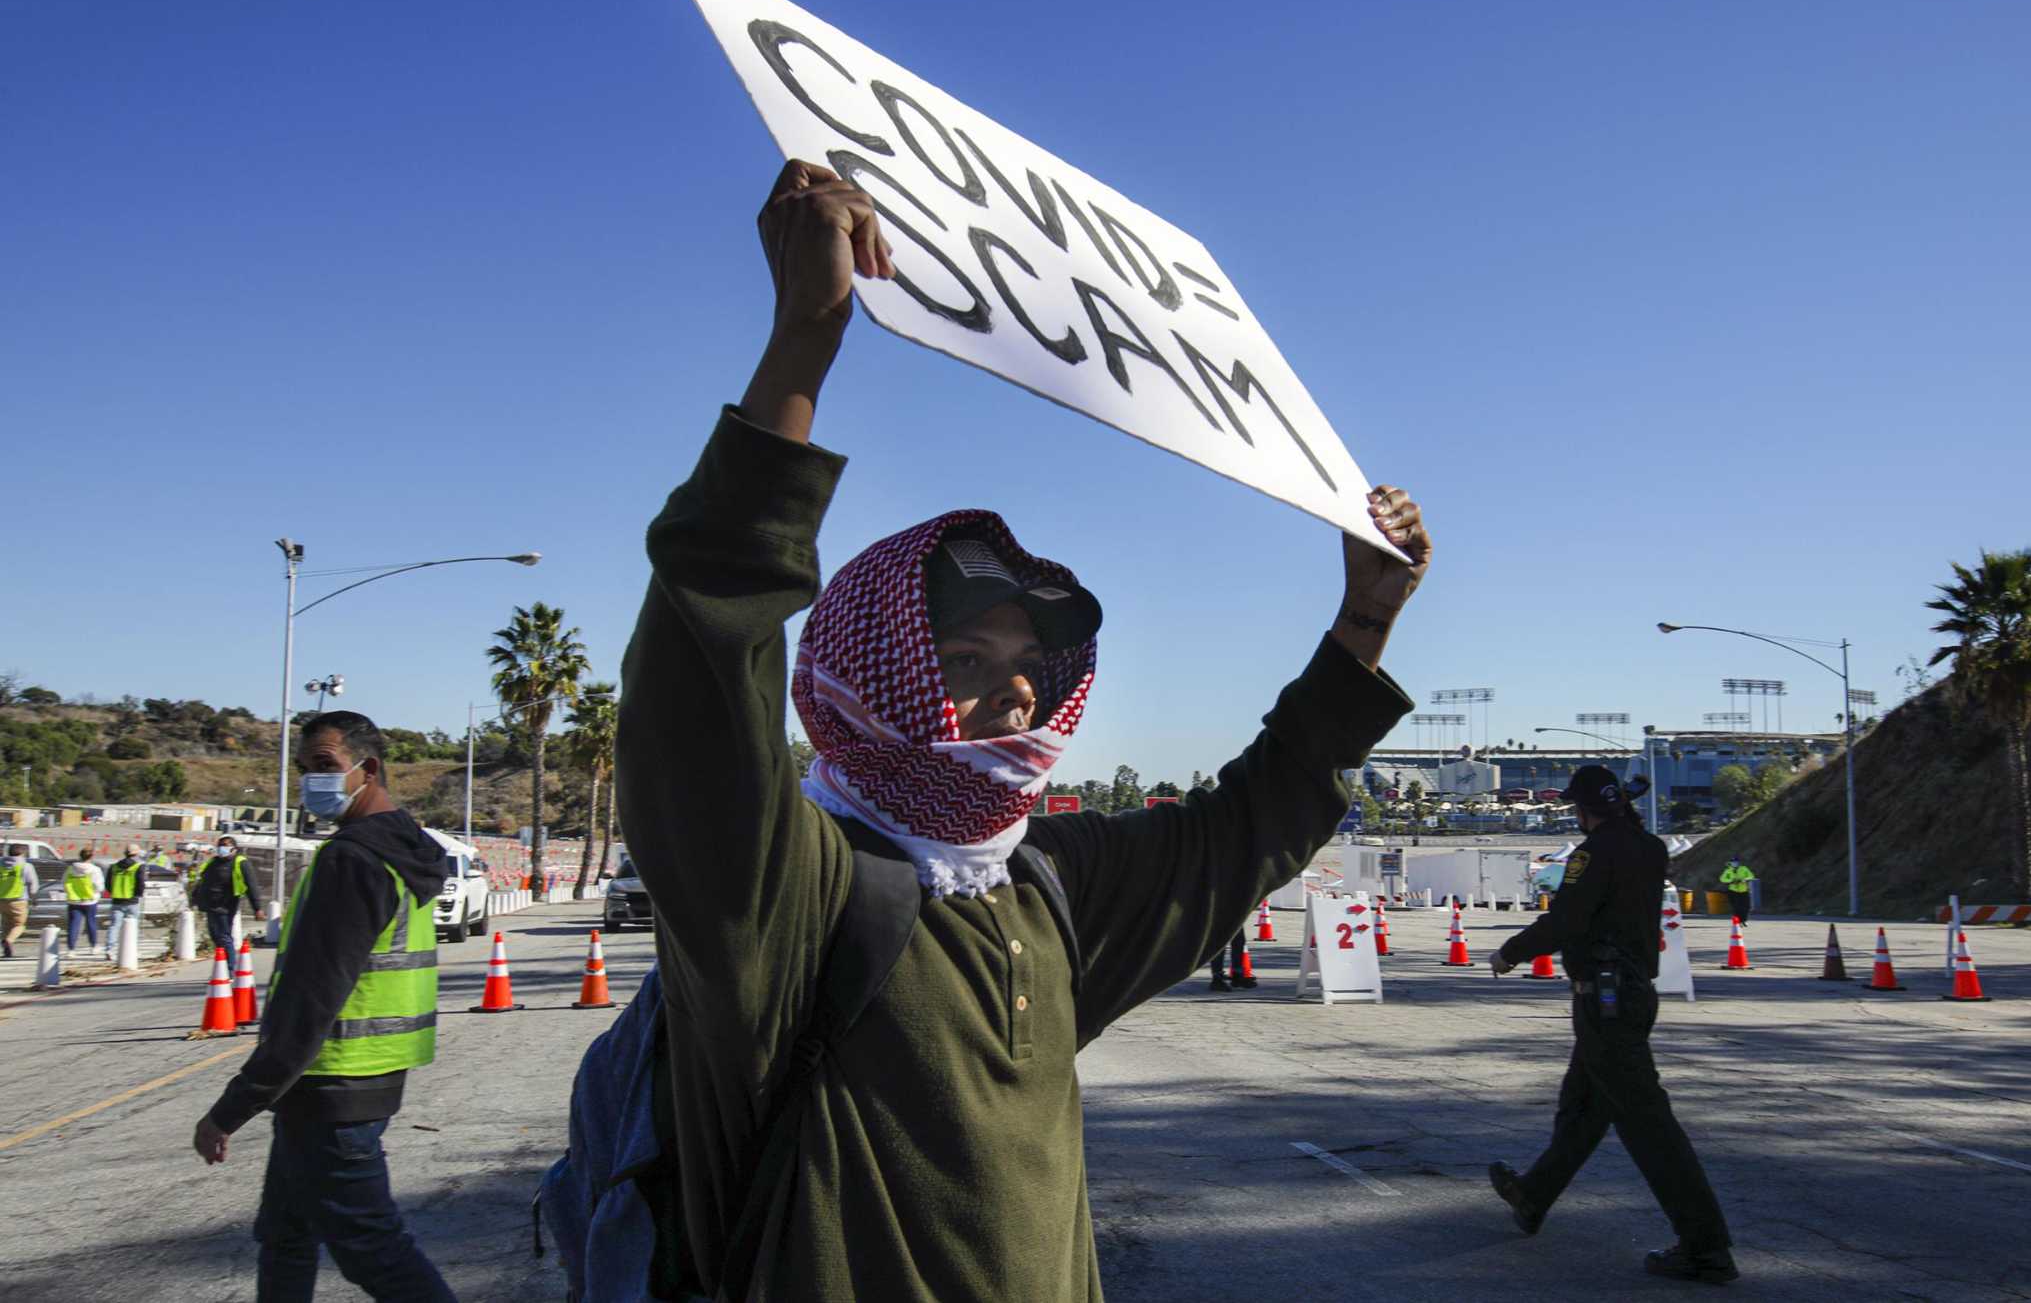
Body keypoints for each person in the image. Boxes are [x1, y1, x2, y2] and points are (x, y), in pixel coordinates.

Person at [613, 159, 1430, 1301]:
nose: (1013, 696)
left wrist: (1361, 621)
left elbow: (1250, 823)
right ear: (860, 672)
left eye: (1029, 668)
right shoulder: (780, 892)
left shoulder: (1043, 892)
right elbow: (705, 654)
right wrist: (801, 344)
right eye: (959, 660)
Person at [192, 709, 455, 1303]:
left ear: (370, 769)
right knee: (286, 1233)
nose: (313, 780)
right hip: (357, 1080)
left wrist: (231, 1109)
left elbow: (310, 1001)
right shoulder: (404, 847)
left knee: (375, 1252)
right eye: (305, 768)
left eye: (326, 766)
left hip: (332, 1087)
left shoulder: (352, 860)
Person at [1484, 765, 1736, 1284]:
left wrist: (1510, 952)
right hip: (1632, 995)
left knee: (1648, 1125)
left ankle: (1705, 1246)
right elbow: (1630, 851)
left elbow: (1566, 919)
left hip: (1605, 1002)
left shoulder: (1592, 854)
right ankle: (1533, 1196)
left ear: (1582, 811)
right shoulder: (1649, 848)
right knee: (1582, 1109)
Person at [192, 835, 264, 956]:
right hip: (211, 905)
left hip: (226, 905)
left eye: (225, 846)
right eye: (220, 846)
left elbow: (252, 886)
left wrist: (257, 908)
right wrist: (195, 897)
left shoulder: (240, 862)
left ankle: (230, 968)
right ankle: (222, 966)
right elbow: (203, 881)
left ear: (234, 848)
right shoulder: (213, 862)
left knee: (224, 936)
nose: (221, 848)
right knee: (215, 936)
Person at [63, 846, 105, 953]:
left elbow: (64, 882)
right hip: (90, 900)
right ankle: (93, 946)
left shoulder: (71, 869)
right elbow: (99, 886)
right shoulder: (95, 870)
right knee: (91, 923)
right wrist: (98, 892)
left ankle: (71, 949)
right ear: (91, 857)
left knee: (74, 924)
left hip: (74, 900)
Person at [106, 843, 148, 947]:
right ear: (136, 854)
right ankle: (131, 949)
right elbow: (140, 882)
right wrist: (139, 894)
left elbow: (107, 883)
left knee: (114, 926)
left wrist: (114, 892)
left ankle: (110, 948)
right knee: (133, 926)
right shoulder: (138, 867)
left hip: (117, 900)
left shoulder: (114, 867)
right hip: (132, 901)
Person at [1, 843, 37, 959]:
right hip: (18, 900)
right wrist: (33, 897)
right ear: (22, 853)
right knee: (19, 925)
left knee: (6, 924)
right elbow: (33, 884)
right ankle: (8, 941)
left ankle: (7, 949)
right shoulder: (26, 866)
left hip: (2, 900)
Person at [1719, 857, 1755, 923]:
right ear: (1730, 863)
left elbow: (1751, 876)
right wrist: (1731, 881)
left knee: (1746, 906)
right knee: (1736, 907)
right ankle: (1737, 920)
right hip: (1733, 891)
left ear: (1739, 862)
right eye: (1733, 862)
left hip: (1744, 890)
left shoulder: (1744, 868)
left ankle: (1744, 920)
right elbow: (1722, 879)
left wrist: (1744, 879)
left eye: (1736, 862)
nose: (1735, 863)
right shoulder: (1728, 870)